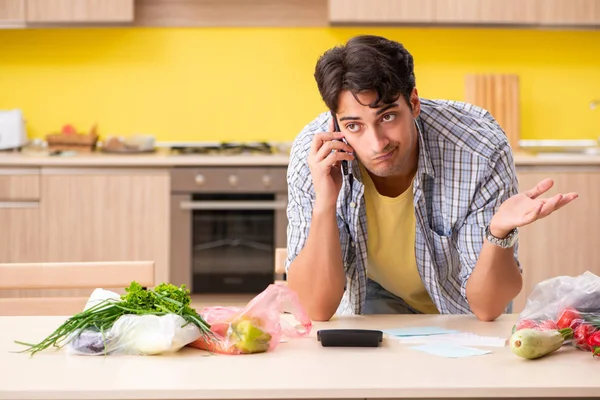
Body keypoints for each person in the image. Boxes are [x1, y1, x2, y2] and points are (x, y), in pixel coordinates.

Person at [284, 34, 578, 322]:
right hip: (375, 295)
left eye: (387, 117)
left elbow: (489, 309)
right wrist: (325, 201)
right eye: (354, 125)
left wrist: (498, 234)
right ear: (336, 123)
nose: (376, 144)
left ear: (413, 102)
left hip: (459, 310)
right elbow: (313, 309)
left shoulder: (478, 148)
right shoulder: (318, 156)